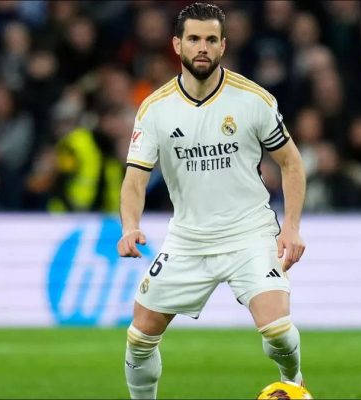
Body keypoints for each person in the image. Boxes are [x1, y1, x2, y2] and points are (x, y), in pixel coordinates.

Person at [116, 3, 307, 398]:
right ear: (177, 44)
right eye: (193, 39)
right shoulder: (155, 109)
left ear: (223, 45)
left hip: (249, 233)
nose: (202, 47)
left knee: (277, 332)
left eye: (210, 39)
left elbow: (291, 163)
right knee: (139, 338)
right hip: (188, 239)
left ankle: (294, 380)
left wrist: (290, 227)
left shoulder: (253, 100)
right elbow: (135, 180)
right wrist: (130, 226)